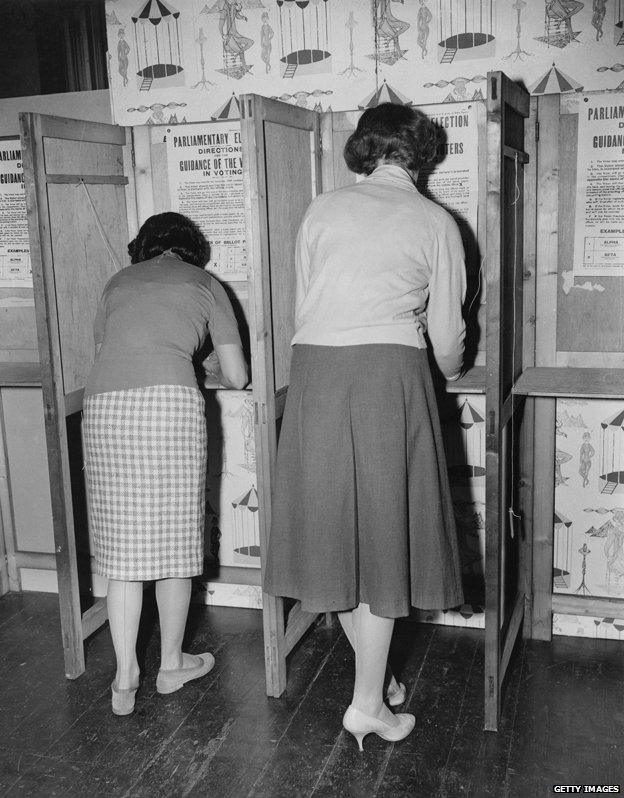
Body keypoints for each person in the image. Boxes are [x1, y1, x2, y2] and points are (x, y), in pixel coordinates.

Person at [263, 103, 466, 751]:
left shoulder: (322, 208)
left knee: (337, 540)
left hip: (316, 373)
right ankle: (367, 704)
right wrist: (451, 368)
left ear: (365, 150)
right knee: (383, 542)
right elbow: (448, 340)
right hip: (388, 376)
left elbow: (304, 303)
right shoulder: (436, 220)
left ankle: (376, 687)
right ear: (420, 154)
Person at [83, 212, 247, 716]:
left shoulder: (116, 283)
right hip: (168, 409)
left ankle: (125, 673)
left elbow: (105, 350)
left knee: (122, 548)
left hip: (104, 411)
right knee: (175, 540)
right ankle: (172, 664)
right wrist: (199, 360)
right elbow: (238, 377)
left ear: (144, 246)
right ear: (191, 248)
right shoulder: (205, 282)